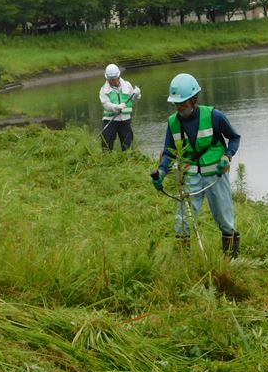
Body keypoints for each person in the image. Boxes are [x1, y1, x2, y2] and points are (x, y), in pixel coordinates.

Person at [152, 73, 241, 257]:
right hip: (190, 175)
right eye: (176, 104)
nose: (180, 108)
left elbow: (234, 138)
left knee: (224, 217)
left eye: (183, 104)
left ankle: (231, 260)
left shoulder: (214, 116)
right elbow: (169, 151)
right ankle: (183, 261)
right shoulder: (173, 123)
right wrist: (161, 172)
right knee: (183, 219)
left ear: (194, 99)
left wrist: (227, 156)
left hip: (215, 175)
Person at [99, 63, 141, 151]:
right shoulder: (104, 90)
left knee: (127, 144)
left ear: (119, 76)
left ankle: (128, 160)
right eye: (111, 80)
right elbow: (106, 104)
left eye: (115, 79)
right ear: (107, 79)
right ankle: (107, 161)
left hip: (125, 120)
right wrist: (116, 107)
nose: (114, 81)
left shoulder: (127, 85)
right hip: (110, 120)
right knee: (106, 143)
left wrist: (136, 94)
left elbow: (133, 100)